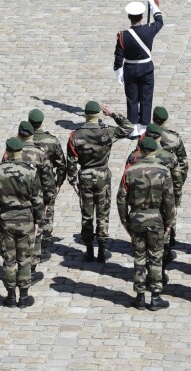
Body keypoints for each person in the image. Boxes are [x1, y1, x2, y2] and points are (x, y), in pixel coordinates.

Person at [66, 101, 133, 262]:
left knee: (87, 214)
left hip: (85, 176)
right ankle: (102, 250)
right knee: (103, 214)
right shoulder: (107, 132)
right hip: (103, 175)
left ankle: (89, 250)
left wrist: (73, 181)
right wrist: (113, 113)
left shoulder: (76, 135)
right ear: (97, 115)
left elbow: (71, 160)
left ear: (85, 115)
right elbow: (128, 127)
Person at [117, 137, 175, 311]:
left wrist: (125, 220)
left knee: (139, 257)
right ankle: (155, 296)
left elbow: (121, 199)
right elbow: (169, 201)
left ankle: (140, 296)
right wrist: (169, 224)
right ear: (155, 151)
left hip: (136, 217)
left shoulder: (130, 171)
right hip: (156, 218)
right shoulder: (163, 171)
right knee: (156, 257)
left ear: (140, 150)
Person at [0, 138, 43, 308]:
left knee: (9, 260)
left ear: (7, 151)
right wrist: (38, 220)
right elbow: (37, 199)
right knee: (25, 259)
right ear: (20, 151)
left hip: (6, 220)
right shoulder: (30, 171)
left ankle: (11, 296)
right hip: (25, 220)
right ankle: (24, 296)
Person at [125, 123, 182, 273]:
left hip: (139, 207)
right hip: (161, 205)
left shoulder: (133, 157)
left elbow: (125, 186)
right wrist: (176, 200)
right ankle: (160, 273)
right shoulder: (169, 157)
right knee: (161, 241)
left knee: (140, 252)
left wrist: (126, 220)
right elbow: (178, 180)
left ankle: (143, 283)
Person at [4, 121, 55, 283]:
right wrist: (47, 200)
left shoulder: (9, 154)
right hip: (34, 199)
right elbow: (48, 180)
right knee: (36, 233)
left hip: (13, 201)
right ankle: (31, 270)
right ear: (32, 134)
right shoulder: (39, 153)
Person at [113, 0, 163, 137]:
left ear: (129, 17)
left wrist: (118, 70)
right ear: (142, 16)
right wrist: (153, 6)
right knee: (146, 96)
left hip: (131, 69)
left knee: (132, 97)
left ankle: (133, 126)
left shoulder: (123, 36)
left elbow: (119, 55)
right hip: (146, 67)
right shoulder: (149, 30)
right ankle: (144, 126)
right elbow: (160, 21)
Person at [28, 108, 67, 261]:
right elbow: (62, 165)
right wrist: (58, 183)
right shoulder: (52, 141)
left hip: (28, 186)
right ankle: (43, 247)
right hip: (47, 185)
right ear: (41, 122)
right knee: (47, 216)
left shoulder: (24, 141)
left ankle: (29, 245)